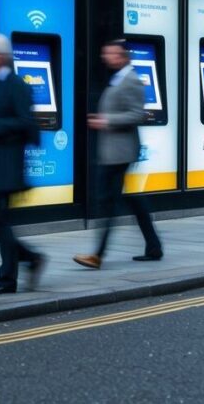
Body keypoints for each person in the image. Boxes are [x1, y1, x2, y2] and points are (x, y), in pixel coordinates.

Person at [74, 40, 162, 269]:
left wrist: (107, 120)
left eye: (109, 53)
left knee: (107, 202)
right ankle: (154, 246)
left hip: (121, 152)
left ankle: (97, 254)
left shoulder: (131, 80)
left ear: (122, 56)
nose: (105, 57)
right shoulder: (118, 77)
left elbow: (137, 115)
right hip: (113, 151)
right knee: (129, 200)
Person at [0, 34, 45, 295]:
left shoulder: (16, 85)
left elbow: (29, 125)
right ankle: (29, 259)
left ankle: (8, 277)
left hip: (7, 165)